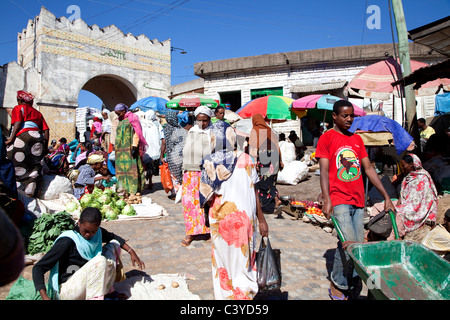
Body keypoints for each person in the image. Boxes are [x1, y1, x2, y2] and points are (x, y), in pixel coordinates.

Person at [316, 100, 395, 300]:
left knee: (357, 244)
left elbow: (368, 169)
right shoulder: (327, 138)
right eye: (345, 116)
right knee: (348, 243)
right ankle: (338, 284)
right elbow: (324, 171)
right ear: (334, 116)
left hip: (359, 200)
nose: (349, 119)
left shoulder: (357, 140)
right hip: (339, 198)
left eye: (352, 115)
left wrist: (387, 196)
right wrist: (327, 199)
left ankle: (352, 281)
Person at [198, 120, 269, 300]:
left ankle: (226, 296)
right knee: (244, 259)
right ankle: (244, 294)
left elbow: (205, 197)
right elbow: (254, 190)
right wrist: (262, 219)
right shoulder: (247, 159)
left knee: (222, 260)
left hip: (220, 220)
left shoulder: (208, 162)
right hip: (244, 218)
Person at [32, 207, 145, 300]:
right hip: (68, 291)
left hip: (88, 284)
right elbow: (38, 268)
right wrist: (44, 297)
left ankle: (107, 292)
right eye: (85, 231)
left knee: (113, 246)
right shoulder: (67, 241)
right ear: (79, 223)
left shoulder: (97, 233)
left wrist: (131, 252)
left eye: (93, 231)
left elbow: (113, 237)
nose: (88, 235)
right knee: (100, 261)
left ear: (98, 227)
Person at [180, 105, 214, 247]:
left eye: (205, 120)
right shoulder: (192, 132)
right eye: (199, 120)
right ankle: (191, 232)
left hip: (205, 172)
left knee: (205, 201)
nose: (202, 123)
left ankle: (207, 231)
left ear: (209, 119)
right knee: (188, 203)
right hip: (189, 172)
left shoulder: (212, 133)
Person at [5, 90, 50, 197]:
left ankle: (16, 187)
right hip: (38, 138)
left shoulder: (18, 108)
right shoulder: (38, 113)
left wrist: (11, 139)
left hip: (24, 136)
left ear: (20, 100)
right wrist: (45, 146)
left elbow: (18, 122)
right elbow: (46, 130)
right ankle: (30, 188)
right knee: (34, 163)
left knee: (14, 158)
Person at [395, 153, 438, 241]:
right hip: (408, 204)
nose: (402, 168)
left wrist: (403, 207)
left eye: (404, 166)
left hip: (417, 208)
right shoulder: (408, 177)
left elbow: (425, 199)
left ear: (411, 164)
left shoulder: (423, 177)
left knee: (399, 214)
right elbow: (403, 194)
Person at [249, 114, 284, 213]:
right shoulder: (269, 130)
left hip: (264, 159)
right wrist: (280, 161)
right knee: (271, 183)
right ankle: (276, 200)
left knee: (262, 184)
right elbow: (277, 146)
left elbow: (253, 148)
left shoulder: (255, 130)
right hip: (275, 158)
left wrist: (255, 162)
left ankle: (266, 207)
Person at [114, 103, 147, 195]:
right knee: (121, 170)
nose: (118, 115)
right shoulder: (120, 120)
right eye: (116, 113)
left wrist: (134, 145)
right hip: (120, 149)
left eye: (119, 113)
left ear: (124, 111)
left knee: (132, 169)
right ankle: (123, 188)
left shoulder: (133, 118)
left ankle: (133, 189)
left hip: (130, 148)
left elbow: (137, 132)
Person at [161, 110, 186, 198]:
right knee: (180, 173)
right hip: (181, 154)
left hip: (172, 155)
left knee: (173, 174)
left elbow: (164, 142)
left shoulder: (167, 128)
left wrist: (161, 155)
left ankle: (176, 193)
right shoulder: (180, 127)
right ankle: (182, 192)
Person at [141, 110, 164, 189]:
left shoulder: (143, 124)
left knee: (146, 165)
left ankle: (147, 180)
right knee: (151, 165)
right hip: (154, 148)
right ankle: (150, 180)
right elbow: (161, 135)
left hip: (146, 148)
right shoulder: (157, 124)